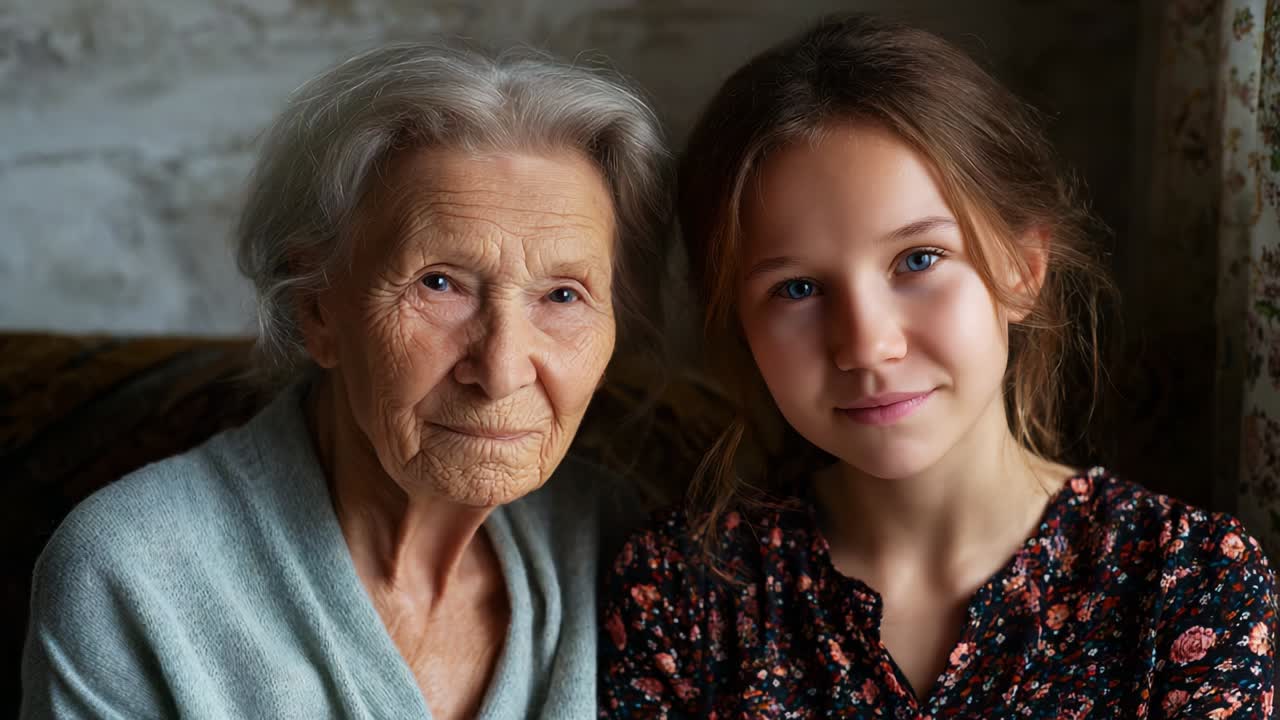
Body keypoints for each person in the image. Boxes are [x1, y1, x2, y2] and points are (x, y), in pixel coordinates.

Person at [601, 13, 1277, 719]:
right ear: (740, 325)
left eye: (919, 260)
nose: (865, 345)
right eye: (796, 289)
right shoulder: (681, 595)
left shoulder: (1187, 582)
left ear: (1022, 268)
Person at [22, 37, 669, 720]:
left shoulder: (624, 546)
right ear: (318, 309)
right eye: (440, 283)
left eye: (563, 296)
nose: (503, 370)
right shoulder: (134, 572)